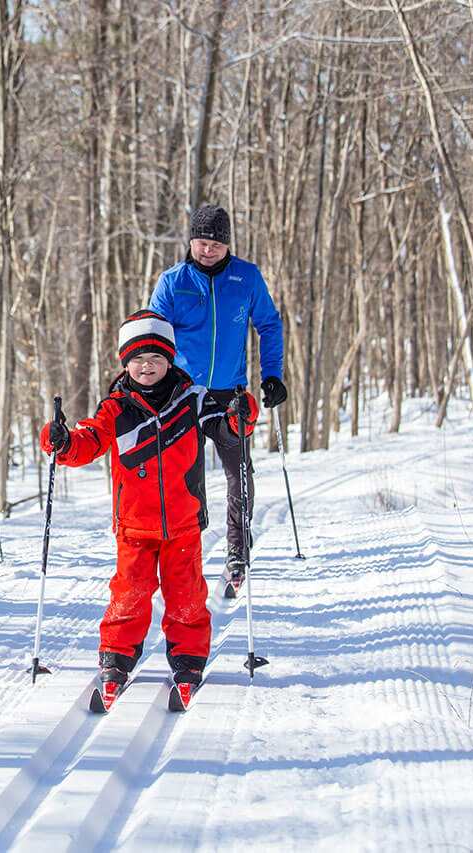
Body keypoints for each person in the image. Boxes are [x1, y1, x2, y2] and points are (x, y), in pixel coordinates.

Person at [40, 310, 258, 704]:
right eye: (138, 359)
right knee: (130, 594)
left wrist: (241, 417)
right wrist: (62, 441)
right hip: (134, 526)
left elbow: (224, 428)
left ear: (169, 360)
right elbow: (88, 441)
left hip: (183, 522)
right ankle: (117, 659)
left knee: (186, 595)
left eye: (156, 358)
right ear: (126, 363)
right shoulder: (116, 408)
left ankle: (189, 659)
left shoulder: (193, 399)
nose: (147, 366)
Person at [148, 204, 286, 592]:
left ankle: (238, 549)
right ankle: (187, 543)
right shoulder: (173, 282)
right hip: (184, 391)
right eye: (201, 243)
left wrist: (272, 375)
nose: (207, 250)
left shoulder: (247, 278)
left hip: (230, 393)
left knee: (238, 471)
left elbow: (269, 324)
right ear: (190, 241)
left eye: (215, 244)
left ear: (228, 245)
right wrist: (154, 383)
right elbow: (153, 336)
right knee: (184, 475)